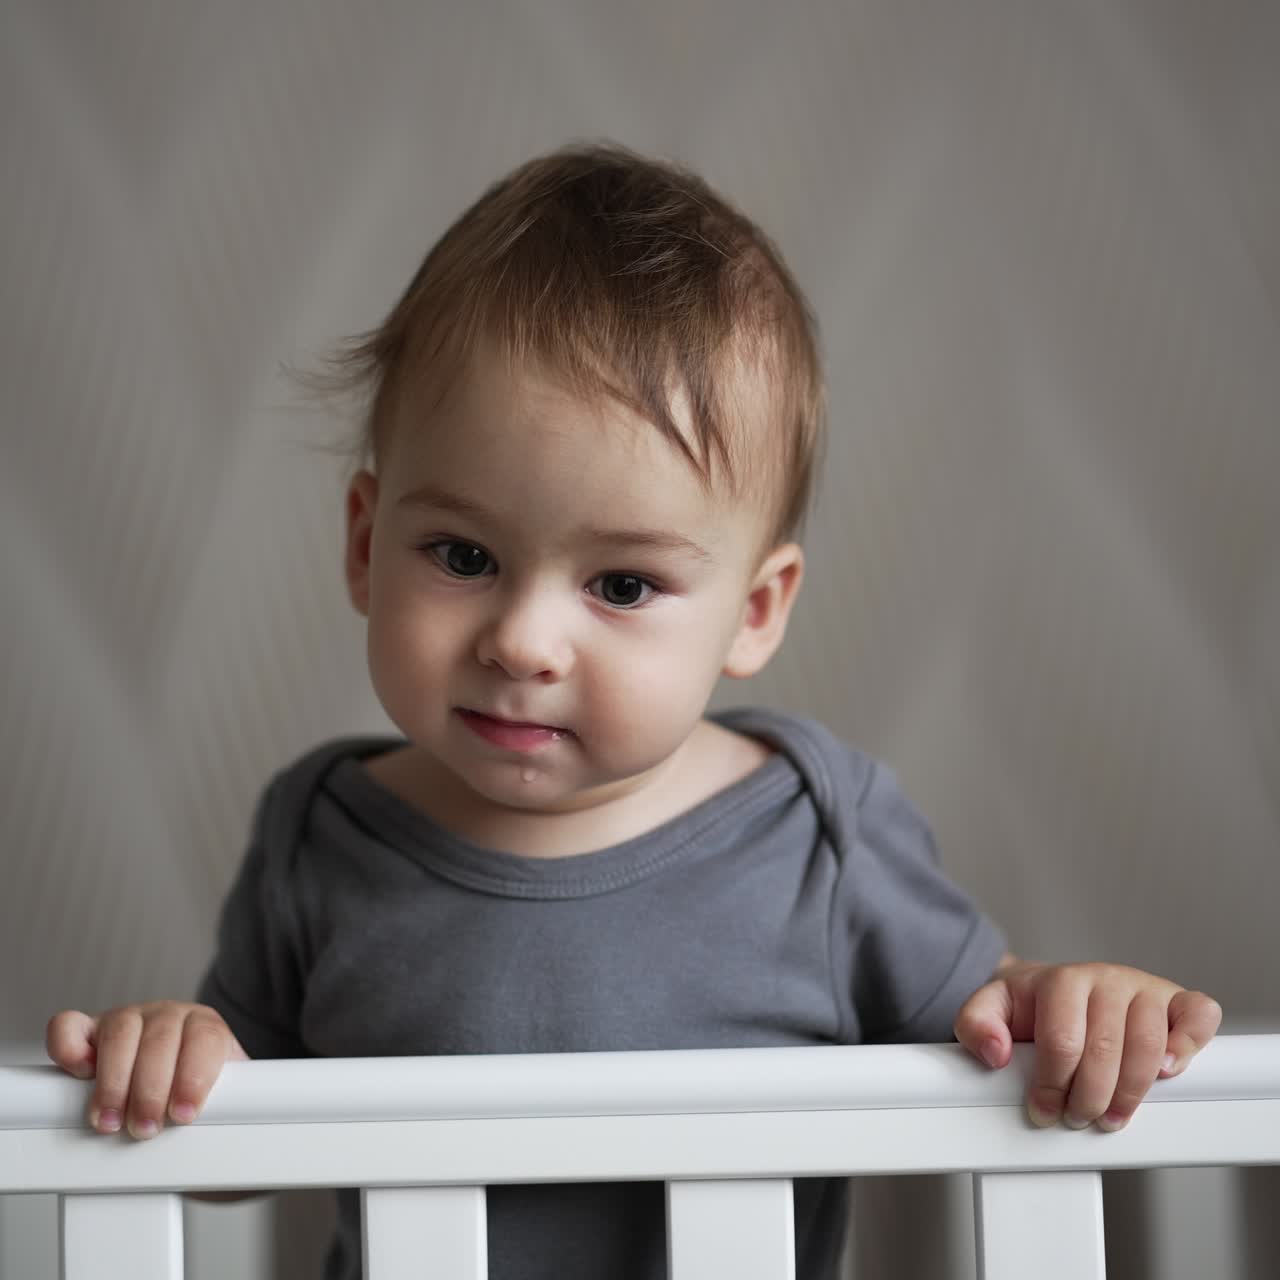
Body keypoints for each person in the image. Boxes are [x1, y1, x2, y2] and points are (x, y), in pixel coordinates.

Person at [46, 142, 1222, 1279]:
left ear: (754, 611)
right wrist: (175, 1067)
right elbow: (223, 1162)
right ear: (364, 543)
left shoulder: (818, 833)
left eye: (620, 584)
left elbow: (1001, 1032)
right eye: (461, 553)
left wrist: (1072, 1002)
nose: (520, 638)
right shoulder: (319, 833)